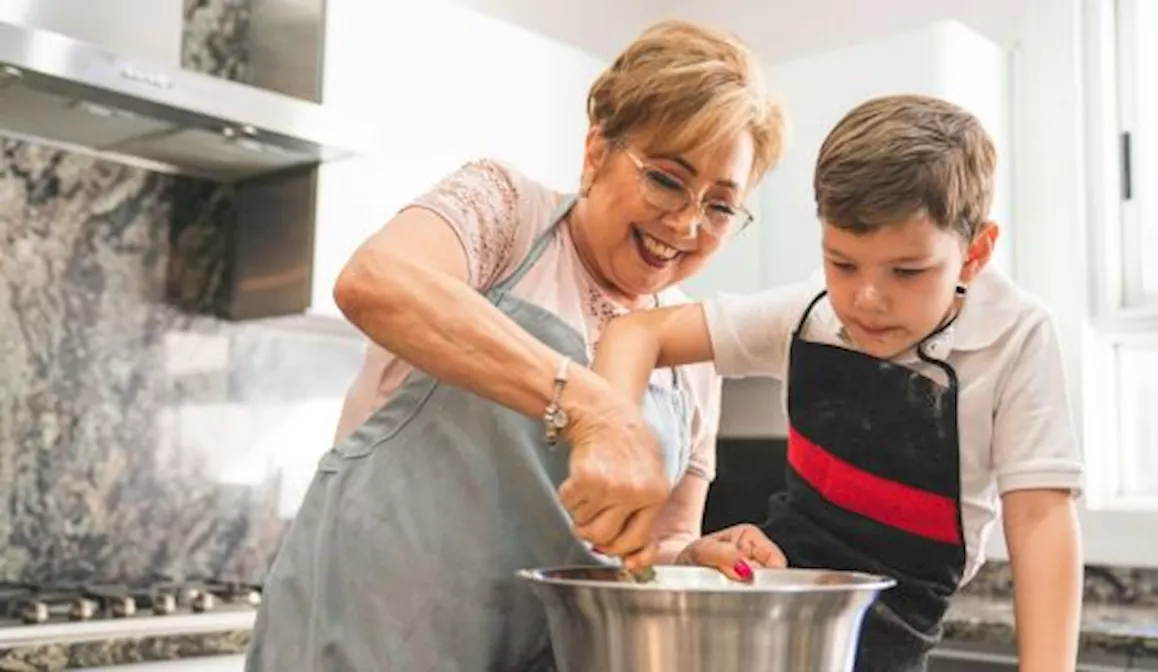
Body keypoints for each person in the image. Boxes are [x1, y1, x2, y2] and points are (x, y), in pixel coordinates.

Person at [244, 19, 788, 672]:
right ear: (597, 151)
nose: (687, 223)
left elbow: (661, 539)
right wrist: (591, 404)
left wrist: (694, 559)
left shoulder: (689, 353)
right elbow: (376, 281)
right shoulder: (504, 212)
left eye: (721, 207)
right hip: (363, 641)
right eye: (667, 180)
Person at [591, 94, 1084, 671]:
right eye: (842, 263)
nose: (867, 299)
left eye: (907, 271)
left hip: (899, 632)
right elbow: (635, 333)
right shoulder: (810, 313)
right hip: (780, 614)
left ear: (975, 253)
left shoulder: (1015, 335)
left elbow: (1040, 520)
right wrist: (613, 440)